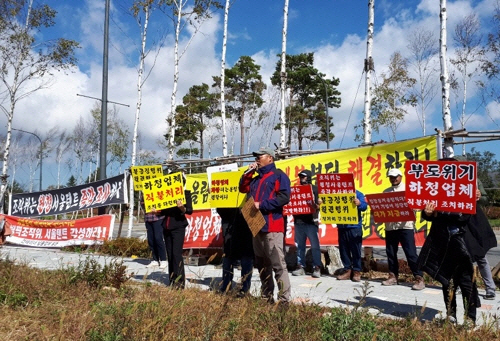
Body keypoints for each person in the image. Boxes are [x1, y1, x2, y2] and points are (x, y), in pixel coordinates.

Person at [239, 147, 291, 304]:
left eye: (259, 156)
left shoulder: (278, 175)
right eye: (255, 157)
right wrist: (247, 173)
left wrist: (261, 204)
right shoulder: (255, 179)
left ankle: (283, 300)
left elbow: (284, 198)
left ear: (270, 158)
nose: (256, 159)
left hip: (272, 227)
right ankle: (266, 296)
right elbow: (242, 188)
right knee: (262, 265)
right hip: (257, 227)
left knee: (278, 265)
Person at [418, 201, 480, 324]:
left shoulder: (468, 186)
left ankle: (470, 318)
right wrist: (428, 213)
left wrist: (477, 196)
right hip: (442, 241)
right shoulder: (436, 188)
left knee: (467, 282)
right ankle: (451, 315)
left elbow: (468, 215)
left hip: (463, 242)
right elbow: (425, 213)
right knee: (446, 280)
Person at [382, 168, 425, 290]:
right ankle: (393, 276)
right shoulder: (386, 192)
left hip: (405, 226)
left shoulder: (409, 190)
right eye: (391, 177)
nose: (394, 179)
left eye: (396, 176)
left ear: (401, 176)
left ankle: (419, 277)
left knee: (410, 253)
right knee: (391, 253)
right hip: (390, 227)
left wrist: (411, 208)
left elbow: (417, 207)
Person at [163, 173, 193, 289]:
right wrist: (156, 211)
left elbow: (189, 210)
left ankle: (179, 283)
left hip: (178, 226)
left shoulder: (186, 193)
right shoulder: (166, 194)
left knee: (176, 254)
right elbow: (164, 211)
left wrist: (182, 208)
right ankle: (172, 280)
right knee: (170, 254)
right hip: (166, 226)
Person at [291, 169, 322, 279]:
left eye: (303, 177)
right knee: (299, 246)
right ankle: (300, 266)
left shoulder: (315, 189)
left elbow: (321, 205)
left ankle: (317, 267)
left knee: (315, 246)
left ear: (309, 177)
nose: (301, 179)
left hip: (311, 222)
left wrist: (317, 206)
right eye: (300, 177)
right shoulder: (296, 190)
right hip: (299, 221)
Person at [217, 207, 254, 296]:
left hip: (247, 221)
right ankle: (225, 287)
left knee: (247, 255)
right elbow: (219, 206)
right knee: (228, 254)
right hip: (229, 221)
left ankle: (244, 289)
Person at [335, 189, 367, 282]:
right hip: (342, 226)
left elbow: (364, 206)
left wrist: (359, 203)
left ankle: (357, 271)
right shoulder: (337, 193)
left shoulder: (358, 193)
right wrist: (322, 203)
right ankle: (347, 270)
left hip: (354, 226)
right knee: (343, 249)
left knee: (356, 250)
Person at [142, 196, 168, 269]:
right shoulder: (145, 192)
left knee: (158, 238)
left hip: (158, 218)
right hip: (148, 218)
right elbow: (141, 203)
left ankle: (163, 260)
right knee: (151, 240)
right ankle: (155, 260)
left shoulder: (157, 190)